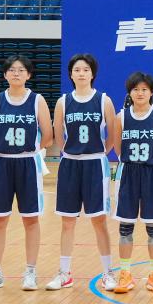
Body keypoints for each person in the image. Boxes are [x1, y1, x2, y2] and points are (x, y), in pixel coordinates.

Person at [0, 54, 53, 291]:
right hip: (1, 163)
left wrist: (31, 149)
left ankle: (30, 271)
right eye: (12, 69)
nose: (16, 73)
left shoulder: (37, 100)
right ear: (5, 74)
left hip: (27, 163)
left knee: (31, 219)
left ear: (28, 75)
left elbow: (48, 135)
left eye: (21, 70)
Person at [48, 53, 118, 291]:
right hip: (70, 164)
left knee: (99, 221)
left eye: (85, 70)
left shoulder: (103, 100)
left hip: (95, 164)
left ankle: (108, 273)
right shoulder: (63, 102)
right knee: (67, 222)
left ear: (92, 74)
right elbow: (58, 134)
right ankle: (64, 273)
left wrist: (102, 152)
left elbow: (113, 134)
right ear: (71, 74)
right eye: (77, 70)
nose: (81, 73)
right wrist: (68, 152)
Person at [115, 72, 153, 294]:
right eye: (136, 89)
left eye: (144, 89)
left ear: (151, 92)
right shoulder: (121, 117)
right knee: (125, 228)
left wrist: (152, 164)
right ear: (130, 92)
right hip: (128, 173)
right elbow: (118, 148)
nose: (140, 93)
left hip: (152, 174)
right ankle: (125, 274)